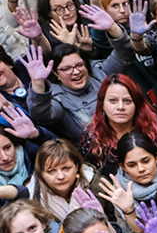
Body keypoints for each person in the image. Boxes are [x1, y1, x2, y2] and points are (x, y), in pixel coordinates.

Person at [24, 10, 135, 143]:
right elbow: (41, 116)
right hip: (98, 155)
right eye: (66, 69)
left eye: (79, 65)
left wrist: (113, 27)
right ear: (56, 73)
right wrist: (37, 83)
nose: (76, 72)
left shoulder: (100, 73)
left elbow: (124, 54)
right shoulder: (58, 97)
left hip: (132, 139)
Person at [79, 73, 157, 177]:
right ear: (102, 104)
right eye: (113, 100)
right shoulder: (91, 137)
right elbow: (90, 177)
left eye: (127, 101)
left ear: (137, 104)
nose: (120, 107)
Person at [28, 139, 110, 222]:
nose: (60, 177)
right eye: (51, 171)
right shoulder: (34, 194)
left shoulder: (98, 186)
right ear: (41, 174)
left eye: (66, 168)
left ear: (77, 166)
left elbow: (115, 224)